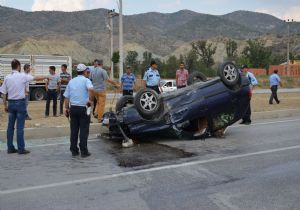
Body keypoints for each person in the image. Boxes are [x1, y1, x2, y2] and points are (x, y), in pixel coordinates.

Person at [0, 59, 48, 154]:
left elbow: (4, 93)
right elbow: (35, 78)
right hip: (20, 103)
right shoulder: (23, 76)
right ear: (18, 66)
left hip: (11, 103)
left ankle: (10, 147)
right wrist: (45, 77)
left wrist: (5, 105)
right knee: (20, 127)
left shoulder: (7, 77)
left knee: (10, 127)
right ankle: (21, 148)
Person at [64, 64, 94, 157]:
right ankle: (84, 151)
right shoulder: (86, 80)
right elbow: (91, 90)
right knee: (84, 130)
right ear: (85, 71)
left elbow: (66, 97)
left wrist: (66, 108)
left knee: (74, 130)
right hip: (83, 108)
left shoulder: (71, 81)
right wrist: (90, 100)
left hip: (73, 108)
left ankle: (74, 150)